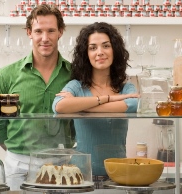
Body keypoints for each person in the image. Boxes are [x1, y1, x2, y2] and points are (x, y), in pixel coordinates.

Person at [0, 5, 75, 190]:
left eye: (51, 31)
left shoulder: (75, 74)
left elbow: (79, 122)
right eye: (38, 31)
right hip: (18, 166)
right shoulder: (5, 75)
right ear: (29, 33)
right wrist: (17, 150)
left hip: (61, 164)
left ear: (60, 32)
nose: (45, 38)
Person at [52, 22, 139, 187]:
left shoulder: (125, 86)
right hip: (79, 176)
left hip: (118, 175)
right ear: (86, 54)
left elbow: (132, 105)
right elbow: (59, 106)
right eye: (93, 48)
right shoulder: (77, 86)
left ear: (115, 50)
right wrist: (107, 99)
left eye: (106, 46)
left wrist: (79, 106)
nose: (100, 52)